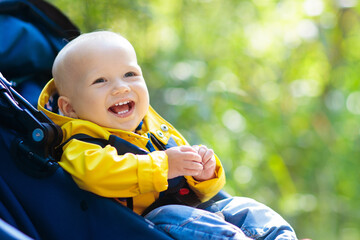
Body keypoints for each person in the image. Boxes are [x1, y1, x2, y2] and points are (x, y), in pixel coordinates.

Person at [38, 31, 297, 240]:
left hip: (197, 216)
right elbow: (99, 174)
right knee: (171, 214)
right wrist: (165, 164)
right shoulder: (80, 145)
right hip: (144, 226)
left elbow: (202, 193)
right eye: (100, 81)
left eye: (130, 74)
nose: (121, 87)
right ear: (69, 108)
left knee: (246, 208)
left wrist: (202, 173)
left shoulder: (153, 128)